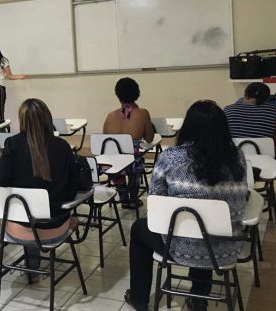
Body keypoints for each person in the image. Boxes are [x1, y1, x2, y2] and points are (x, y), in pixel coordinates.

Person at [124, 100, 248, 311]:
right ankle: (199, 297)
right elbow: (241, 203)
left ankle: (139, 298)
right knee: (205, 228)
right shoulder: (237, 156)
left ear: (187, 127)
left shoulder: (170, 158)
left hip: (178, 247)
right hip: (225, 249)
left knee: (140, 229)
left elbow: (156, 203)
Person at [0, 99, 80, 282]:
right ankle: (36, 266)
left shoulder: (13, 145)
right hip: (54, 230)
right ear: (48, 118)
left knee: (27, 214)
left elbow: (0, 180)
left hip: (17, 230)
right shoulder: (62, 147)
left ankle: (32, 270)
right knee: (58, 216)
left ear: (21, 120)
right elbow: (73, 190)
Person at [102, 77, 154, 208]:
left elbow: (104, 140)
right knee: (136, 160)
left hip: (113, 164)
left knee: (118, 160)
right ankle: (133, 198)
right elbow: (149, 138)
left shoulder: (110, 116)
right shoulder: (143, 113)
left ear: (118, 95)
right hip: (132, 164)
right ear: (137, 94)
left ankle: (123, 197)